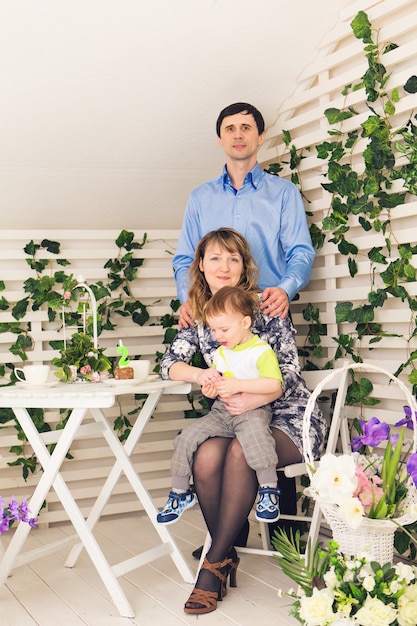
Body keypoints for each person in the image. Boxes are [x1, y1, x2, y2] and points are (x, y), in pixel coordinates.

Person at [159, 228, 326, 615]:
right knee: (203, 454)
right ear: (199, 265)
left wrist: (253, 394)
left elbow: (284, 376)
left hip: (286, 413)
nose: (224, 266)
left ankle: (213, 565)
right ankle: (228, 544)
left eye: (233, 258)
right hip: (236, 415)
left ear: (244, 266)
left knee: (236, 454)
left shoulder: (266, 307)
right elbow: (171, 364)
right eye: (215, 258)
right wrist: (201, 376)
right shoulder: (198, 316)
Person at [173, 101, 316, 328]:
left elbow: (300, 253)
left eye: (246, 128)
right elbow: (184, 259)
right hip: (212, 313)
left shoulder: (284, 193)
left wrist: (284, 290)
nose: (238, 135)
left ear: (260, 136)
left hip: (268, 309)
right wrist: (187, 298)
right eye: (230, 129)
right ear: (220, 140)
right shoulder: (199, 198)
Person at [157, 286, 283, 527]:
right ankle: (180, 492)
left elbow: (273, 383)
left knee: (256, 437)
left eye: (224, 329)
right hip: (222, 412)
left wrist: (238, 384)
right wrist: (210, 388)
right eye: (214, 330)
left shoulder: (260, 351)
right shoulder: (222, 353)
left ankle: (268, 490)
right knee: (186, 438)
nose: (217, 336)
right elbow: (218, 383)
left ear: (245, 322)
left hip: (252, 409)